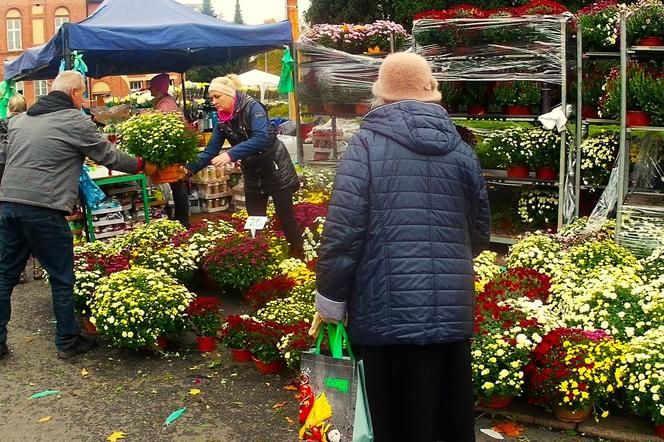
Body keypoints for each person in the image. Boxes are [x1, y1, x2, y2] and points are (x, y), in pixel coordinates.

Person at [312, 53, 491, 441]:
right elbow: (478, 233)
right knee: (447, 418)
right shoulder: (462, 152)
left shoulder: (366, 147)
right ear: (431, 94)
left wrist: (330, 300)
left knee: (391, 421)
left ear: (383, 95)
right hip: (449, 316)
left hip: (384, 316)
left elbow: (343, 232)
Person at [0, 70, 157, 360]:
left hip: (8, 203)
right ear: (73, 93)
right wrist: (141, 163)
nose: (82, 99)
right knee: (61, 277)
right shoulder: (73, 120)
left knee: (4, 276)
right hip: (44, 208)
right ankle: (67, 341)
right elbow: (108, 155)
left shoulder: (20, 120)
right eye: (82, 94)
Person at [185, 75, 304, 258]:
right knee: (255, 219)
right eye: (212, 98)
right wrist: (188, 168)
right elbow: (210, 151)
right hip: (253, 172)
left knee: (285, 215)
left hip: (275, 167)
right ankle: (259, 257)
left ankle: (298, 255)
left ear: (230, 95)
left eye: (217, 97)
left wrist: (231, 154)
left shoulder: (253, 107)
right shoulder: (222, 120)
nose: (213, 101)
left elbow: (261, 138)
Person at [149, 73, 190, 228]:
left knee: (177, 184)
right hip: (173, 147)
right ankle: (179, 218)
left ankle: (183, 220)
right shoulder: (162, 101)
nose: (149, 89)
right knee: (176, 184)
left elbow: (159, 123)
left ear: (158, 88)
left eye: (152, 86)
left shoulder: (166, 104)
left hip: (174, 149)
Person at [0, 94, 28, 284]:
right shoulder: (28, 126)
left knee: (6, 232)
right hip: (22, 182)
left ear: (9, 108)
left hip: (3, 181)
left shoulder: (2, 125)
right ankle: (27, 268)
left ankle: (14, 270)